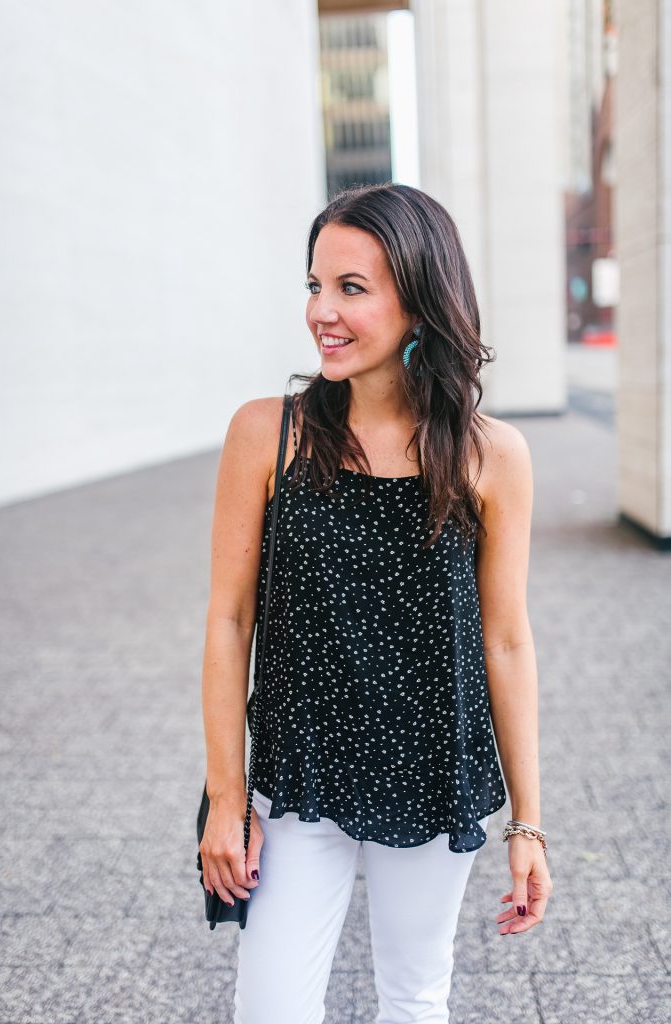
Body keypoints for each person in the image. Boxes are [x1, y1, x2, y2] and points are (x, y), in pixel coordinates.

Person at [199, 182, 554, 1023]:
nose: (323, 310)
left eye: (351, 288)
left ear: (421, 303)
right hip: (299, 775)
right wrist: (226, 796)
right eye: (316, 286)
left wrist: (529, 825)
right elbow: (228, 618)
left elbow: (505, 642)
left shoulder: (491, 456)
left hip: (434, 771)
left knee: (414, 996)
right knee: (271, 1009)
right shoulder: (268, 433)